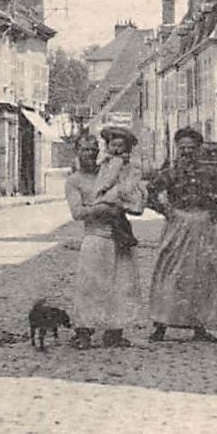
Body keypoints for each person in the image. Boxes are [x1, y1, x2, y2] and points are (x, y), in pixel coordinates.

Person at [145, 126, 217, 343]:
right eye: (182, 148)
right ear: (177, 149)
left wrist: (216, 212)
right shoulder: (169, 174)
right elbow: (149, 193)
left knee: (203, 275)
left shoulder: (211, 174)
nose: (186, 153)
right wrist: (165, 210)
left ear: (199, 149)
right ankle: (161, 325)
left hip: (203, 227)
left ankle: (200, 327)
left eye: (191, 148)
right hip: (177, 226)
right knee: (169, 273)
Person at [65, 132, 145, 350]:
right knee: (90, 286)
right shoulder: (74, 181)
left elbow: (131, 195)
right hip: (95, 237)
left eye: (93, 150)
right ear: (77, 152)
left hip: (118, 236)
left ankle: (114, 331)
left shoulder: (110, 170)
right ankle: (84, 332)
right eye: (84, 150)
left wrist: (126, 204)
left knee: (122, 285)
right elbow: (77, 212)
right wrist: (102, 208)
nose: (89, 154)